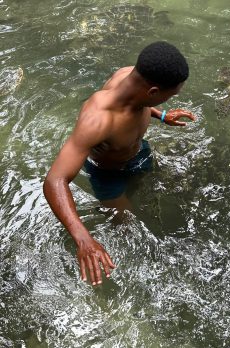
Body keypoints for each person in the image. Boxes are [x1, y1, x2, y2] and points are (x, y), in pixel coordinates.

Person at [43, 41, 196, 286]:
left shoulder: (132, 77)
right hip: (108, 175)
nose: (171, 98)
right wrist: (84, 239)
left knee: (147, 190)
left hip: (137, 153)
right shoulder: (98, 120)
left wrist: (162, 115)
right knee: (128, 226)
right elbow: (54, 180)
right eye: (171, 95)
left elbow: (137, 103)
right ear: (154, 92)